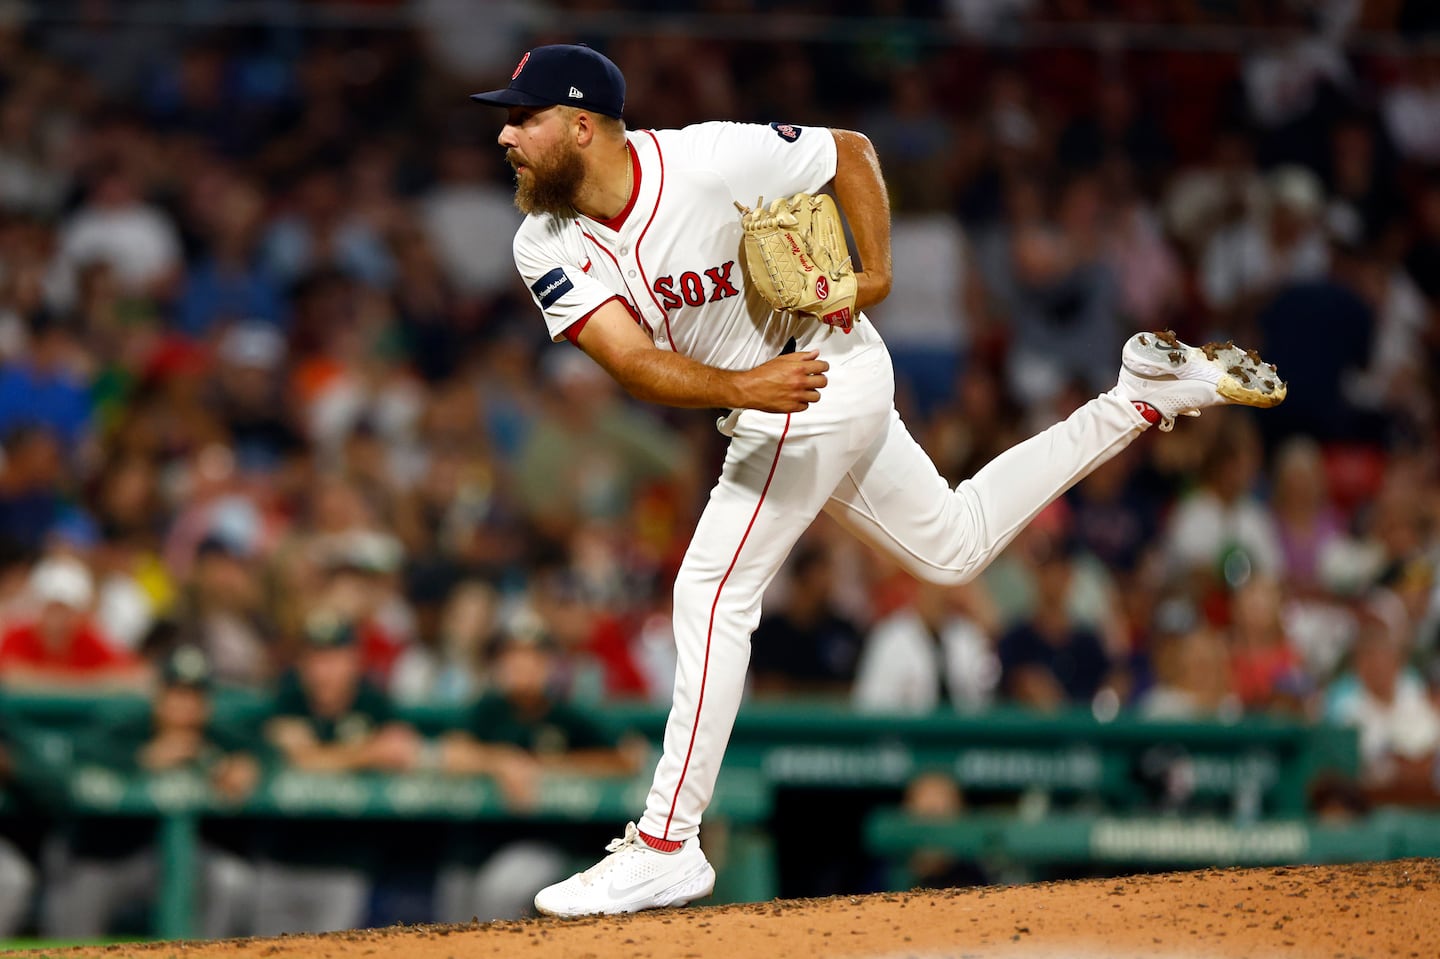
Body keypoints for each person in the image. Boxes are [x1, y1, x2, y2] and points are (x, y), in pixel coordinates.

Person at [469, 43, 1286, 916]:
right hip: (777, 394)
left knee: (709, 593)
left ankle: (667, 841)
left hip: (825, 370)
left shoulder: (708, 158)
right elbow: (631, 361)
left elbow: (848, 150)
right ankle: (1140, 398)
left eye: (524, 117)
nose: (507, 136)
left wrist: (878, 271)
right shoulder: (541, 238)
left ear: (582, 126)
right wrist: (743, 388)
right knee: (953, 547)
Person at [39, 644, 259, 939]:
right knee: (78, 902)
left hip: (178, 859)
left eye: (194, 696)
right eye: (176, 694)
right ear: (159, 696)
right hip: (107, 856)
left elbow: (262, 752)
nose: (185, 705)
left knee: (229, 879)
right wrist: (141, 759)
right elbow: (80, 753)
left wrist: (241, 765)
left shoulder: (216, 735)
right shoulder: (128, 726)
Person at [433, 613, 642, 921]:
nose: (523, 666)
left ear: (548, 665)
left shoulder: (565, 714)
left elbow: (626, 757)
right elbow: (451, 753)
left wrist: (547, 766)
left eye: (533, 658)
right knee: (452, 900)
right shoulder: (487, 709)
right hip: (478, 843)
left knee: (502, 886)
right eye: (514, 657)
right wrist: (502, 761)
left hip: (541, 842)